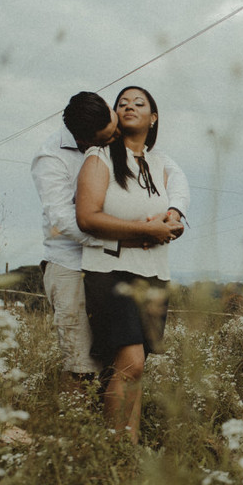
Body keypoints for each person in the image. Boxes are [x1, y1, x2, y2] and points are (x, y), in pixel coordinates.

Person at [30, 91, 190, 395]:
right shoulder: (51, 158)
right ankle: (72, 433)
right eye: (107, 136)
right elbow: (68, 221)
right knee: (80, 366)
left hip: (111, 267)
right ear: (86, 140)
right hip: (71, 265)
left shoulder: (107, 128)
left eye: (116, 126)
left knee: (116, 363)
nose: (116, 136)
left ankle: (108, 437)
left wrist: (174, 212)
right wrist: (133, 236)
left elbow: (173, 173)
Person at [76, 86, 183, 443]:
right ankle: (116, 451)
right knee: (131, 362)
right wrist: (145, 229)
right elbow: (87, 218)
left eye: (139, 103)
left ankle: (128, 447)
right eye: (122, 103)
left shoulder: (158, 163)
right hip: (112, 272)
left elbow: (173, 207)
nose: (129, 107)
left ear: (153, 118)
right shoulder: (99, 157)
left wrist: (172, 223)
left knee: (135, 368)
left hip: (153, 273)